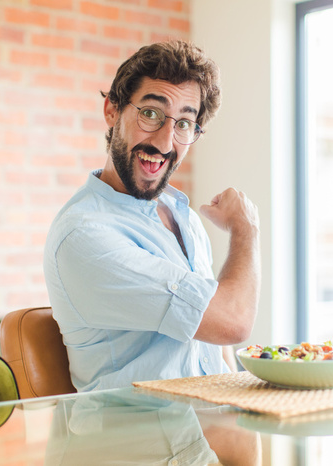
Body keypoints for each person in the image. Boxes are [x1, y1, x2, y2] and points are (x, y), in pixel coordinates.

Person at [43, 40, 261, 392]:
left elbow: (217, 344)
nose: (164, 141)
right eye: (150, 113)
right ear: (112, 111)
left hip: (205, 423)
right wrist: (246, 230)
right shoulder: (85, 235)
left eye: (185, 123)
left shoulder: (183, 216)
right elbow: (232, 321)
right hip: (140, 438)